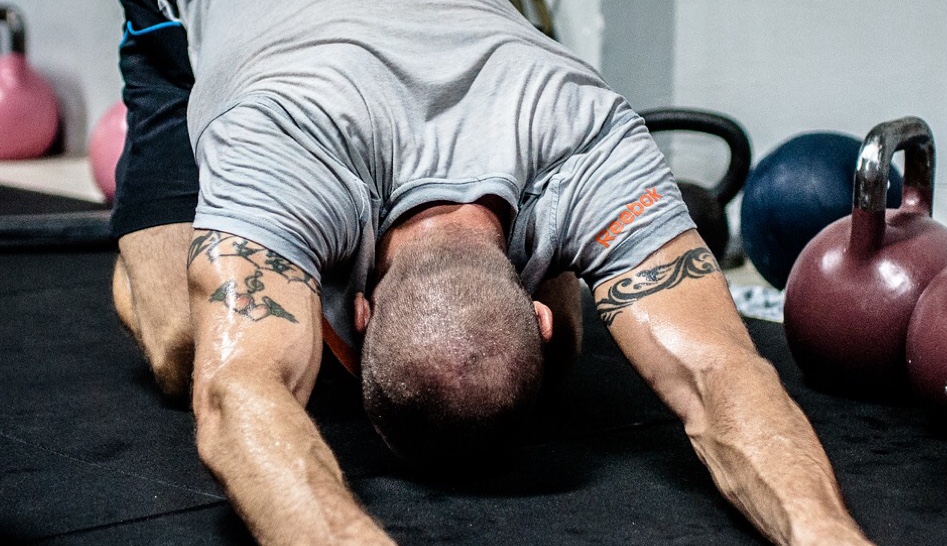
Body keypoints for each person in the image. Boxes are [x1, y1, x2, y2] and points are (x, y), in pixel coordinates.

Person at [110, 1, 876, 544]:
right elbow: (229, 391)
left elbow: (722, 373)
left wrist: (830, 537)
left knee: (414, 361)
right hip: (202, 27)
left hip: (454, 37)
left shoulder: (589, 132)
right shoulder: (276, 137)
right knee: (185, 347)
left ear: (364, 310)